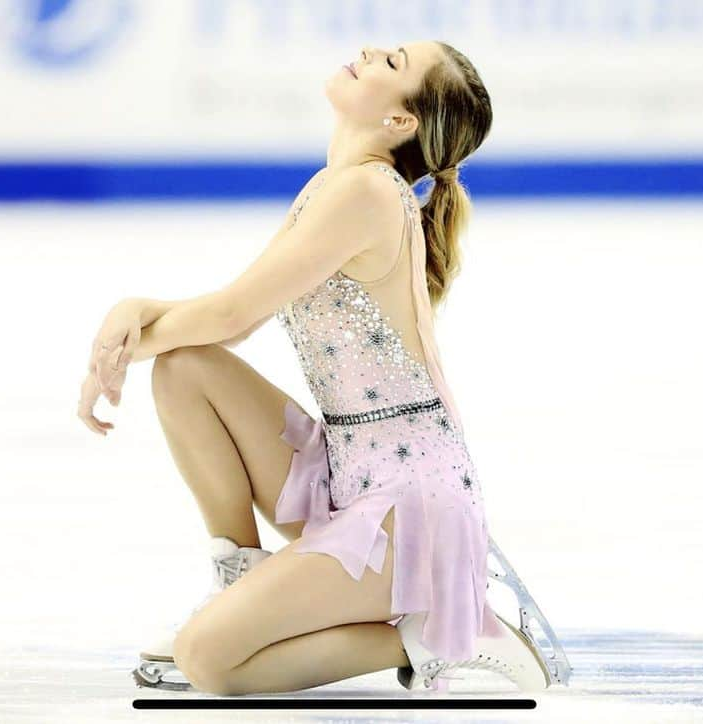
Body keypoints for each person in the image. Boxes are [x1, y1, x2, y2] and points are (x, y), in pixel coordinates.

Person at [78, 40, 570, 696]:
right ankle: (239, 580)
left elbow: (228, 314)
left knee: (208, 659)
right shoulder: (335, 184)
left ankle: (450, 634)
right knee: (185, 368)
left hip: (407, 514)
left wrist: (113, 351)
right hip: (345, 476)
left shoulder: (366, 194)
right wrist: (132, 313)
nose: (371, 51)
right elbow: (237, 315)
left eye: (393, 63)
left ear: (400, 122)